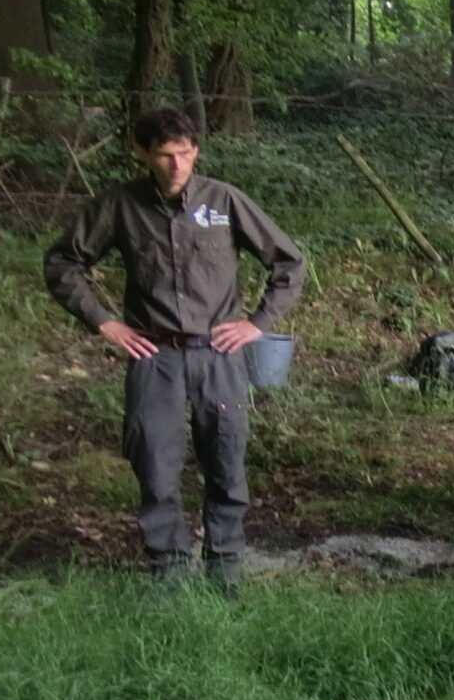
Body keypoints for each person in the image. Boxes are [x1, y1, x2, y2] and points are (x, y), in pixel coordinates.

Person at [44, 107, 308, 589]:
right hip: (154, 354)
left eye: (185, 153)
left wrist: (257, 323)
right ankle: (166, 575)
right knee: (155, 462)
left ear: (196, 151)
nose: (176, 165)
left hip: (218, 353)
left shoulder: (223, 201)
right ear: (142, 153)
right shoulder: (119, 206)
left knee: (226, 459)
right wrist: (105, 324)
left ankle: (224, 571)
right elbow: (63, 263)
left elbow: (288, 262)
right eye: (165, 155)